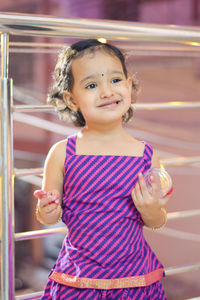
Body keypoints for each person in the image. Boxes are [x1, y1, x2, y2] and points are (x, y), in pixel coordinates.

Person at [34, 39, 172, 300]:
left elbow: (157, 220)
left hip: (135, 278)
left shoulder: (145, 155)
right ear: (71, 100)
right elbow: (48, 217)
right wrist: (47, 210)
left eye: (116, 80)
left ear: (129, 85)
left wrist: (152, 210)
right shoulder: (63, 153)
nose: (107, 92)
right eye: (92, 85)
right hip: (78, 280)